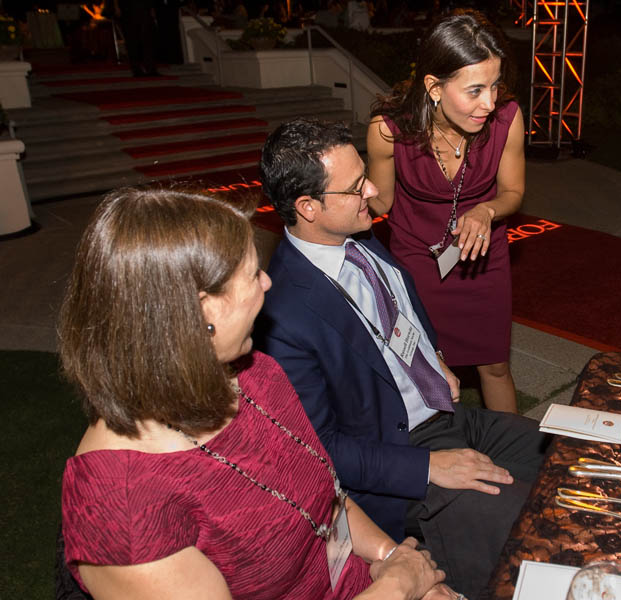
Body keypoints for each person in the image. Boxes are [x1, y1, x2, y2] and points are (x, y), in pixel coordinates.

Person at [58, 187, 453, 600]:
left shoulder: (255, 374)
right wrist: (399, 586)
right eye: (251, 274)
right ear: (202, 311)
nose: (267, 282)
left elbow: (328, 502)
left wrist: (395, 559)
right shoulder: (122, 504)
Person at [255, 118, 548, 599]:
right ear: (308, 207)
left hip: (449, 415)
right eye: (356, 187)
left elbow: (403, 300)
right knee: (527, 524)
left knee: (570, 457)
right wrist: (427, 467)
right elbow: (320, 451)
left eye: (364, 177)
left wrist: (435, 355)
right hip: (399, 458)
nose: (373, 191)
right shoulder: (284, 314)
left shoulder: (358, 236)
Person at [367, 11, 525, 413]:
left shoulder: (507, 119)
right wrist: (344, 193)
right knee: (422, 366)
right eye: (475, 90)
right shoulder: (388, 130)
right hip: (417, 262)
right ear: (434, 87)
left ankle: (513, 446)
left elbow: (512, 192)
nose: (490, 102)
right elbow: (380, 203)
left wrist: (487, 210)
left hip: (483, 257)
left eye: (494, 85)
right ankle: (435, 447)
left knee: (495, 366)